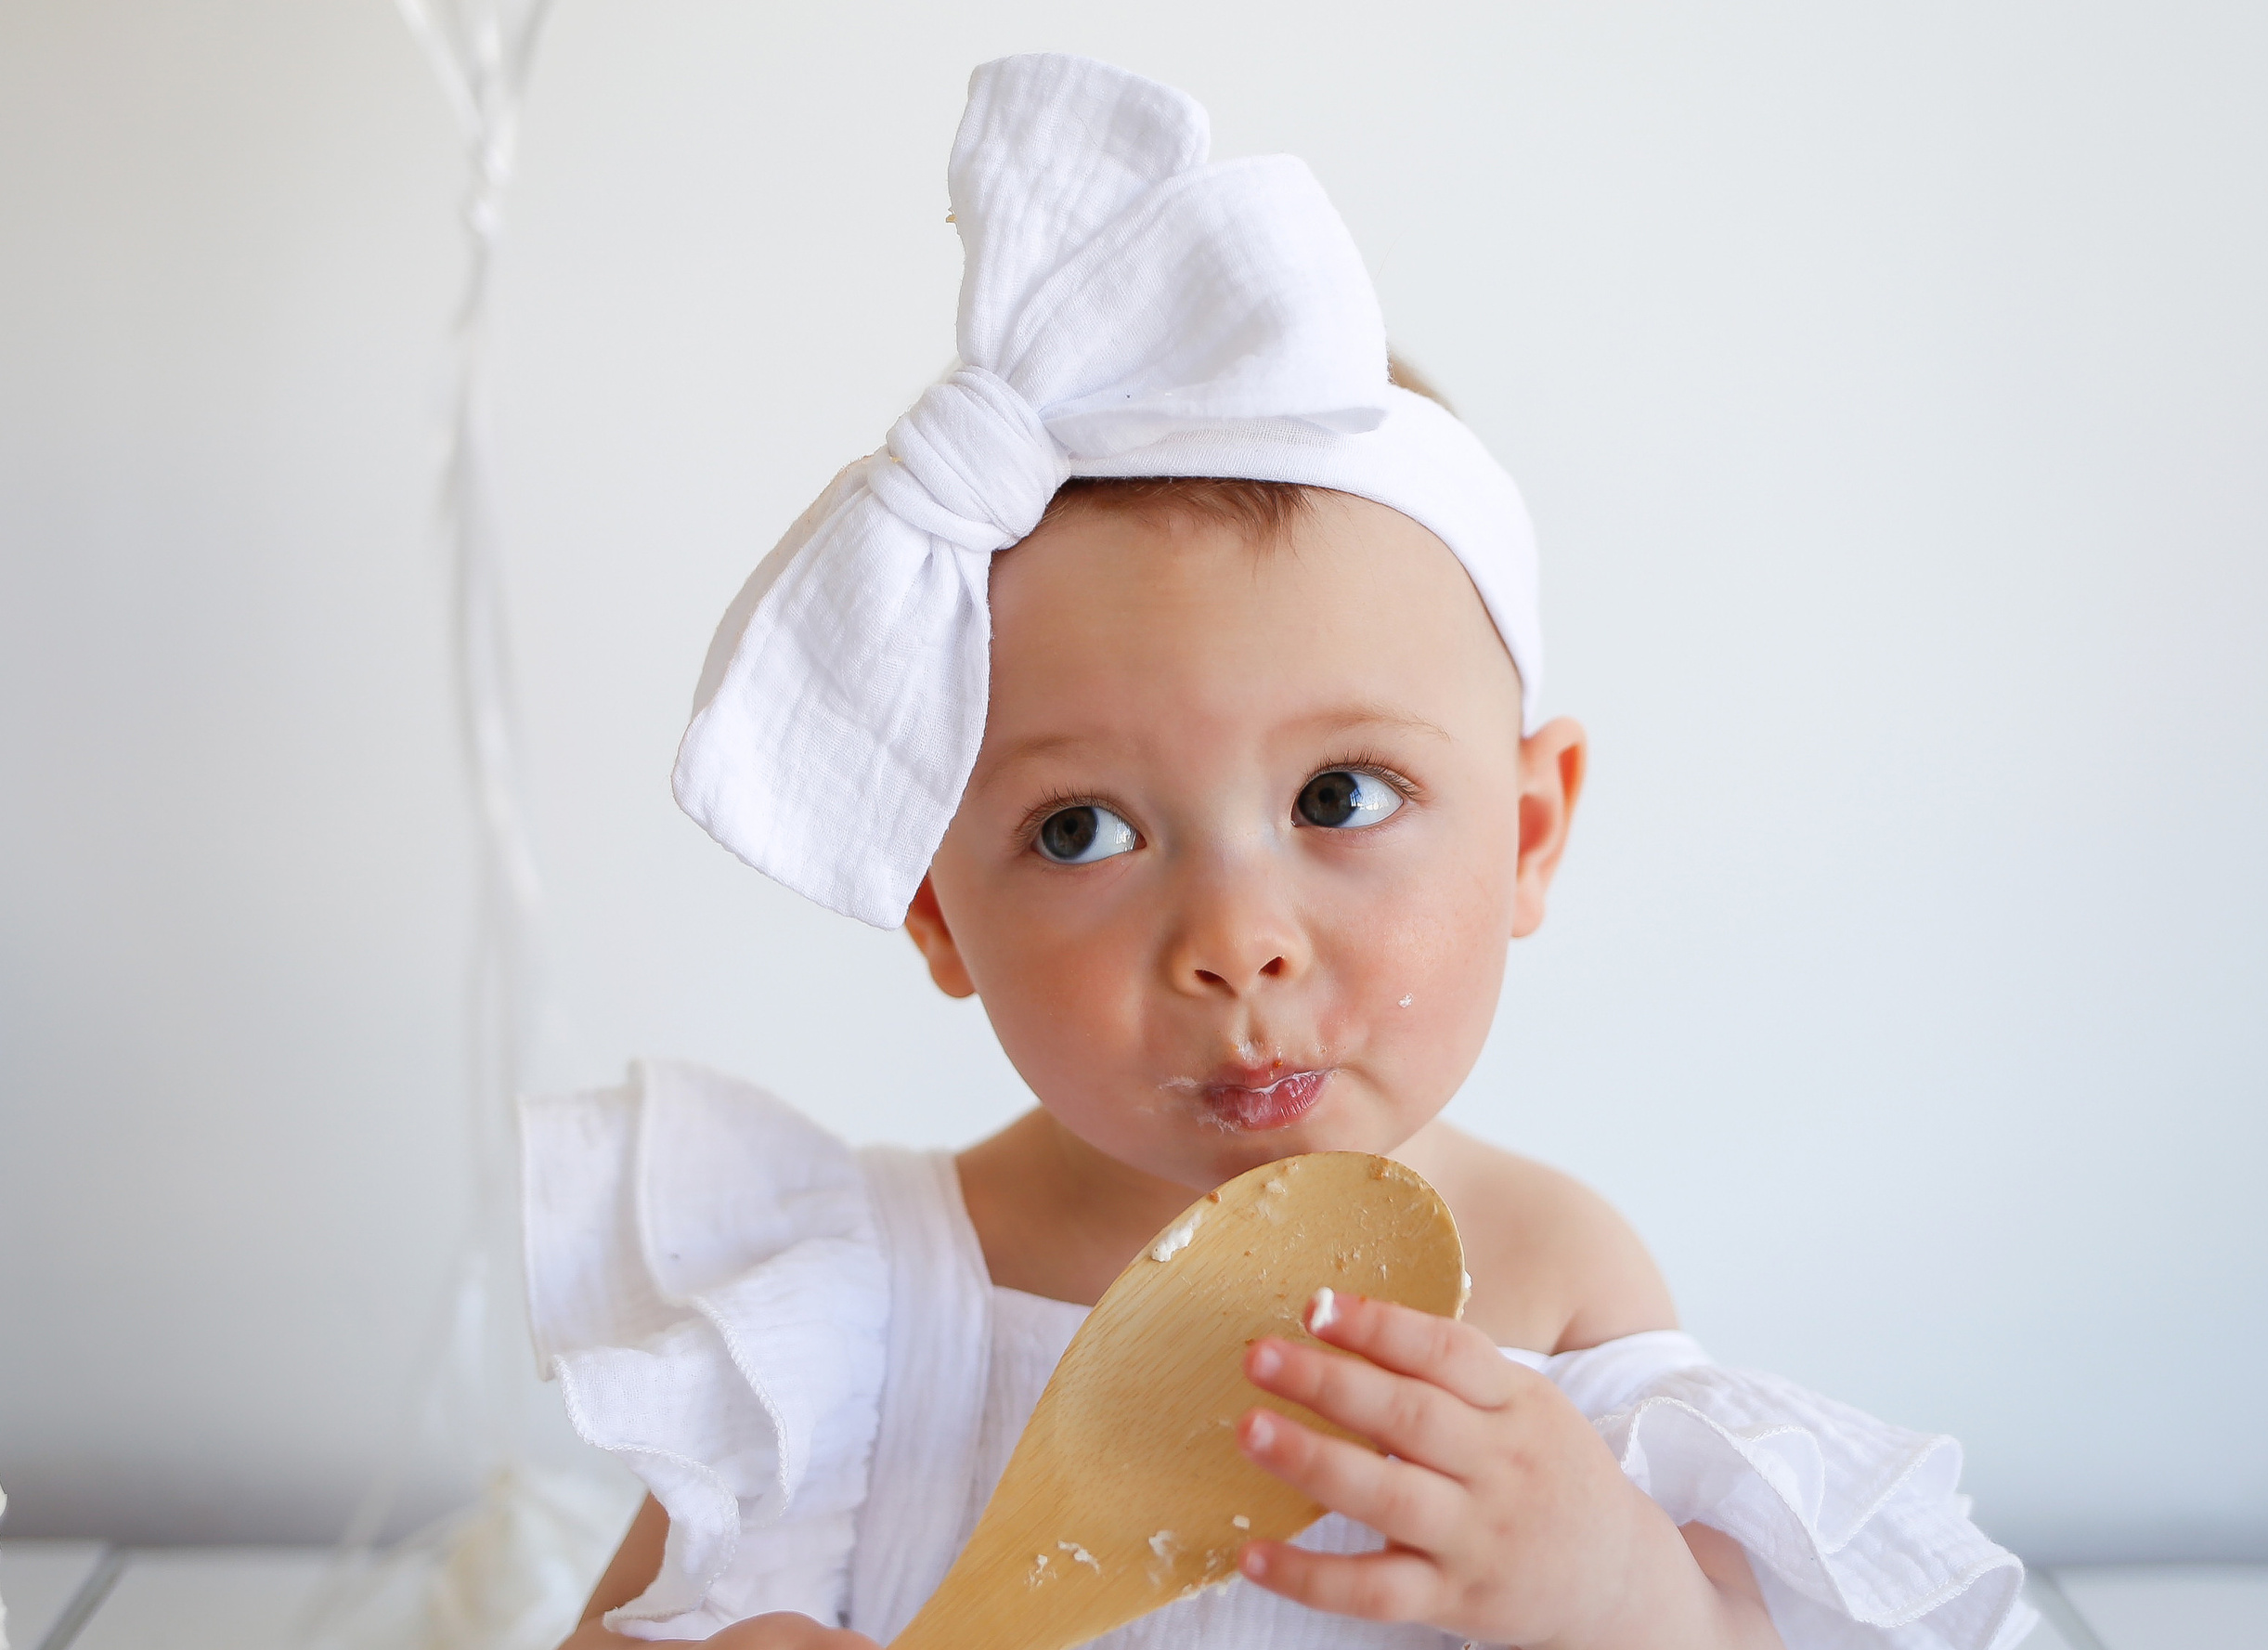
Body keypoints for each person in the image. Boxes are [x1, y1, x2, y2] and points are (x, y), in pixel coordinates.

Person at [526, 52, 2033, 1650]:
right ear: (936, 910)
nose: (1236, 937)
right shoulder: (872, 1300)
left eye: (1339, 797)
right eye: (1083, 828)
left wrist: (1635, 1601)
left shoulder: (1550, 1285)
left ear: (1526, 833)